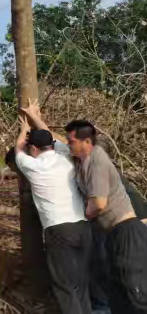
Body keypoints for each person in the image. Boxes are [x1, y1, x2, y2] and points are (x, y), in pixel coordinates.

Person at [61, 123, 147, 314]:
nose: (68, 144)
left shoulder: (99, 162)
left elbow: (99, 204)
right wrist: (35, 119)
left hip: (127, 233)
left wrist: (85, 213)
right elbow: (61, 141)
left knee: (137, 294)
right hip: (114, 234)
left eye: (71, 141)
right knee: (119, 295)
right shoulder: (86, 164)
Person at [14, 114, 92, 314]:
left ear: (33, 149)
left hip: (58, 230)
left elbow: (18, 148)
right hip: (83, 226)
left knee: (64, 285)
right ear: (51, 145)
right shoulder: (66, 156)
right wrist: (35, 117)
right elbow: (54, 137)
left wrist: (24, 128)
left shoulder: (32, 166)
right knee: (81, 283)